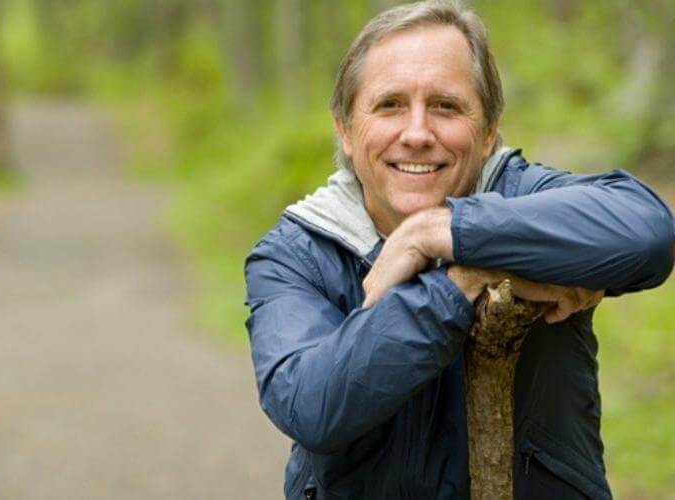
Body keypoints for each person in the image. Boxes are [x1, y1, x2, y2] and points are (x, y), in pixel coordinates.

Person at [244, 1, 674, 499]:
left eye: (446, 106)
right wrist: (462, 279)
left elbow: (647, 232)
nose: (418, 134)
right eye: (390, 105)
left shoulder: (524, 197)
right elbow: (311, 406)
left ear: (489, 131)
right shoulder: (295, 254)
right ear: (344, 127)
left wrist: (447, 231)